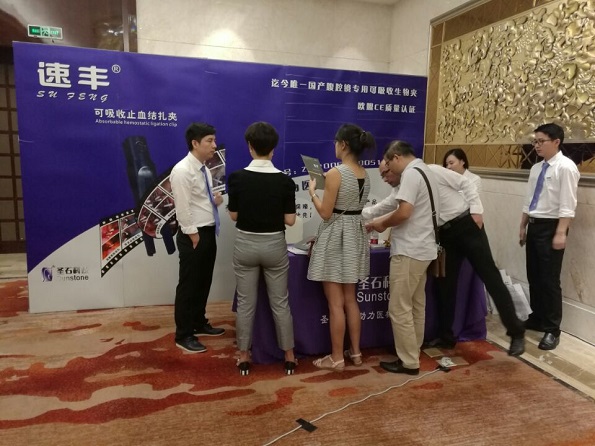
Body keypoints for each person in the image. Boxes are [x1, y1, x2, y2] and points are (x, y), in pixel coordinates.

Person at [425, 163, 525, 357]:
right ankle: (446, 337)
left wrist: (476, 211)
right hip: (444, 234)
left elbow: (466, 183)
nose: (387, 176)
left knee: (491, 277)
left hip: (467, 225)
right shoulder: (408, 181)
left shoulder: (433, 170)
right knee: (445, 284)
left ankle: (516, 332)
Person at [227, 122, 297, 375]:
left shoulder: (236, 178)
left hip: (245, 244)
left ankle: (244, 355)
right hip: (274, 245)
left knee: (246, 304)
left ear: (250, 147)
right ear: (273, 149)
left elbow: (233, 215)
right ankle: (289, 356)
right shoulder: (285, 182)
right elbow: (290, 220)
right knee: (280, 303)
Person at [366, 141, 440, 375]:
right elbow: (393, 203)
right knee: (416, 305)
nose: (388, 173)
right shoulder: (424, 170)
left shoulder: (410, 174)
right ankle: (412, 351)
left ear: (396, 158)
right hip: (424, 249)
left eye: (388, 167)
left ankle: (408, 361)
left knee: (399, 308)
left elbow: (404, 212)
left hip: (409, 249)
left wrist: (381, 224)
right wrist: (369, 216)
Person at [307, 123, 375, 371]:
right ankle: (355, 353)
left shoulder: (336, 173)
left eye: (336, 142)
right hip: (354, 235)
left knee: (335, 303)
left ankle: (336, 358)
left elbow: (326, 213)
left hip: (336, 237)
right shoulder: (364, 173)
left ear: (343, 144)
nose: (334, 146)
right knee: (350, 300)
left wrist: (313, 193)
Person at [519, 123, 579, 350]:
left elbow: (568, 205)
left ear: (556, 142)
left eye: (541, 141)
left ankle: (553, 329)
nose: (536, 146)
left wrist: (561, 232)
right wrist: (523, 225)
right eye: (534, 141)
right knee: (534, 275)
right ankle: (537, 317)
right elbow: (529, 200)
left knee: (549, 280)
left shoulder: (566, 167)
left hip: (552, 227)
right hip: (534, 225)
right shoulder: (536, 168)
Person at [170, 122, 225, 353]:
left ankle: (198, 322)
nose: (214, 145)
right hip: (194, 234)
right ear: (195, 143)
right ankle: (183, 334)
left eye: (214, 140)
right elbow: (182, 207)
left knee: (203, 281)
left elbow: (197, 201)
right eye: (209, 141)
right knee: (189, 285)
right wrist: (193, 235)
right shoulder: (182, 170)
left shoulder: (204, 169)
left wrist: (214, 201)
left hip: (207, 231)